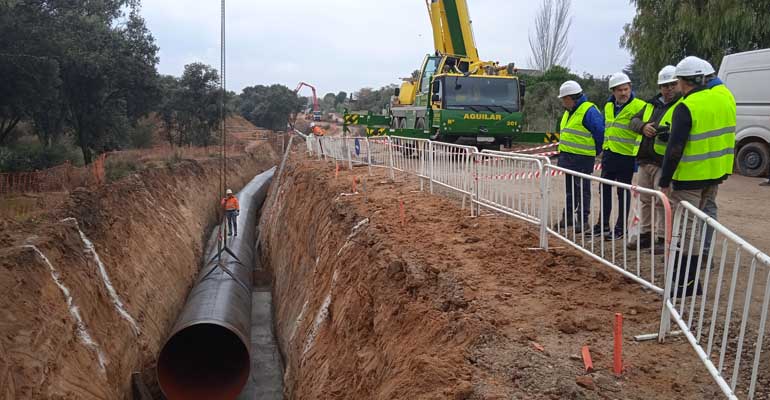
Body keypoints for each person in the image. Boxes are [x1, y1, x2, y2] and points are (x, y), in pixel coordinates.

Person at [659, 56, 736, 253]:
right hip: (716, 173)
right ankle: (704, 256)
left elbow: (675, 149)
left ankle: (688, 277)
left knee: (687, 227)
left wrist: (665, 180)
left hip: (690, 177)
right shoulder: (723, 99)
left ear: (682, 81)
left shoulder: (686, 106)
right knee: (707, 216)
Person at [627, 65, 682, 251]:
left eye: (673, 84)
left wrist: (670, 136)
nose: (669, 89)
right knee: (644, 200)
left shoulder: (682, 106)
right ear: (660, 87)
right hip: (645, 160)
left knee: (663, 201)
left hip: (664, 162)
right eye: (665, 85)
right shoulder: (651, 105)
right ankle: (645, 234)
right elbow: (632, 121)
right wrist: (642, 127)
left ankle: (662, 237)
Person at [592, 72, 647, 240]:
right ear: (613, 92)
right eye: (619, 90)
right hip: (609, 154)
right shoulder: (608, 107)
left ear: (630, 88)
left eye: (626, 89)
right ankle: (603, 224)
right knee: (605, 189)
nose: (624, 93)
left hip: (627, 156)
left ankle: (620, 227)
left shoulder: (640, 106)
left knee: (623, 192)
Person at [555, 80, 605, 233]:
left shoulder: (589, 111)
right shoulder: (569, 112)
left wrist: (595, 151)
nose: (563, 102)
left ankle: (583, 220)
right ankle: (569, 217)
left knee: (582, 190)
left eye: (564, 99)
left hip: (582, 158)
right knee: (570, 189)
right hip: (568, 157)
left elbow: (600, 133)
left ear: (572, 98)